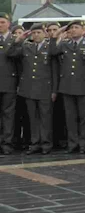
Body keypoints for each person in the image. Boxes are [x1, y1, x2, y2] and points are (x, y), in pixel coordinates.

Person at [9, 24, 55, 155]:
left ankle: (46, 144)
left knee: (45, 118)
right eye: (34, 33)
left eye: (39, 32)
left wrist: (54, 90)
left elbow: (54, 65)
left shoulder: (49, 47)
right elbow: (10, 53)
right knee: (33, 118)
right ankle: (35, 143)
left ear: (44, 34)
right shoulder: (26, 47)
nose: (36, 35)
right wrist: (18, 41)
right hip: (29, 88)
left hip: (45, 88)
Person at [51, 21, 85, 154]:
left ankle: (83, 144)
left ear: (83, 30)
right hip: (67, 85)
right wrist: (56, 36)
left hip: (83, 85)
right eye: (72, 28)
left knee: (84, 117)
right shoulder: (65, 44)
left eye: (77, 27)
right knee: (70, 117)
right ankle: (72, 143)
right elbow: (52, 52)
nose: (74, 30)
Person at [0, 13, 17, 155]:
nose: (0, 25)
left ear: (9, 24)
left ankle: (7, 144)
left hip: (9, 83)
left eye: (3, 22)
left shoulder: (15, 39)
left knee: (8, 116)